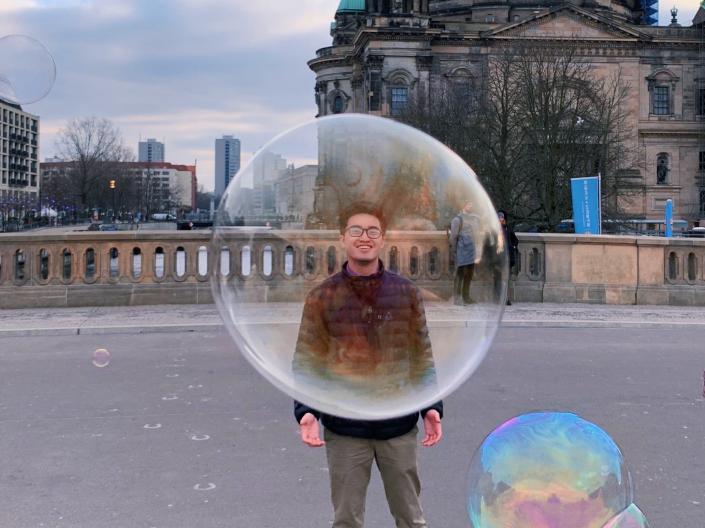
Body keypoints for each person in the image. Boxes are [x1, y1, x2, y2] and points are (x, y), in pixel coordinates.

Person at [293, 203, 443, 528]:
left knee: (411, 519)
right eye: (356, 230)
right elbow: (307, 360)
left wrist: (431, 406)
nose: (365, 237)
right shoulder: (322, 296)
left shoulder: (406, 293)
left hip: (398, 426)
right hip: (346, 427)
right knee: (347, 521)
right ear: (343, 238)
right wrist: (306, 411)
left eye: (372, 230)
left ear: (383, 238)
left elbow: (422, 356)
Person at [448, 200, 480, 305]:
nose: (471, 206)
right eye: (468, 204)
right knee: (459, 275)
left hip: (471, 251)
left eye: (472, 204)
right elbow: (453, 237)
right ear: (463, 205)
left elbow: (477, 234)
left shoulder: (473, 219)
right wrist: (453, 252)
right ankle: (457, 298)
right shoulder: (457, 220)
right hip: (461, 251)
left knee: (469, 275)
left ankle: (466, 297)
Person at [497, 210, 519, 305]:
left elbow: (515, 240)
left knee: (506, 279)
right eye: (499, 217)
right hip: (498, 257)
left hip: (508, 257)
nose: (500, 219)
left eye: (502, 217)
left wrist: (512, 246)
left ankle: (506, 298)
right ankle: (499, 298)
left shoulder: (508, 228)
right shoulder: (495, 229)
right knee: (499, 278)